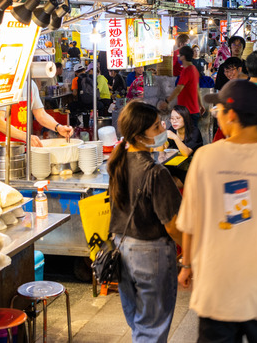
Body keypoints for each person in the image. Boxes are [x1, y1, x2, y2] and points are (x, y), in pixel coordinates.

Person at [176, 80, 257, 341]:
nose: (216, 115)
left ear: (232, 115)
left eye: (219, 111)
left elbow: (190, 222)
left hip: (217, 291)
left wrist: (186, 265)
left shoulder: (205, 158)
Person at [106, 101, 183, 342]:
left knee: (140, 322)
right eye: (156, 129)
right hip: (150, 254)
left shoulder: (118, 163)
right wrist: (190, 254)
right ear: (140, 136)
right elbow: (173, 225)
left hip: (121, 249)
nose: (163, 131)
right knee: (151, 329)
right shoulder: (156, 173)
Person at [0, 80, 72, 149]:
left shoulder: (30, 85)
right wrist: (26, 137)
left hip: (22, 148)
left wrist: (58, 127)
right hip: (1, 149)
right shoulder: (1, 85)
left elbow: (41, 114)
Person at [163, 46, 203, 130]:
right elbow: (197, 89)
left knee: (187, 137)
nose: (179, 58)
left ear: (183, 57)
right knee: (190, 137)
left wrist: (167, 102)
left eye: (179, 56)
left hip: (187, 112)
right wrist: (200, 104)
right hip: (193, 110)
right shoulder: (194, 69)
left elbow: (178, 89)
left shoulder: (187, 71)